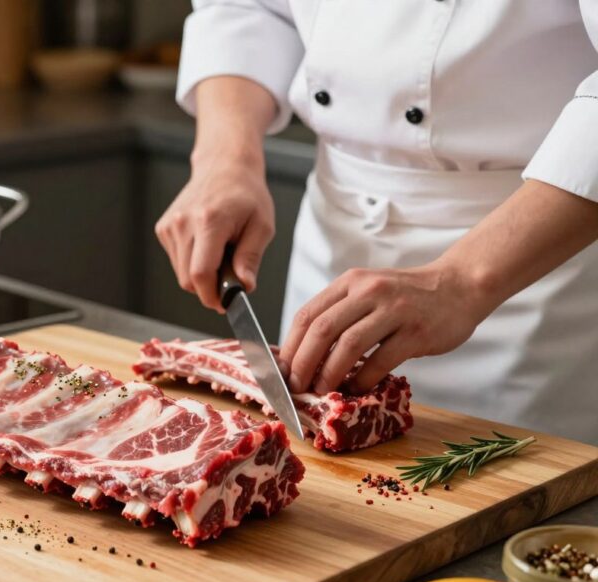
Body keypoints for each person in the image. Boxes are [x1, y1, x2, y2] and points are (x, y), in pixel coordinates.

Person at [157, 1, 598, 444]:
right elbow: (248, 8)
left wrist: (461, 280)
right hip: (335, 237)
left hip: (534, 257)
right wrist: (225, 158)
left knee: (521, 488)